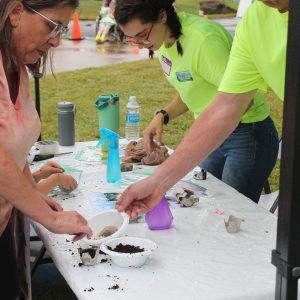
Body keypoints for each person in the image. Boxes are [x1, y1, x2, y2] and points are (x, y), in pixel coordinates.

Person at [115, 0, 288, 218]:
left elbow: (242, 104)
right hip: (219, 135)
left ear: (161, 16)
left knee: (232, 213)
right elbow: (212, 99)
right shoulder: (254, 19)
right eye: (133, 39)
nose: (140, 45)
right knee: (208, 208)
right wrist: (157, 182)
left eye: (142, 35)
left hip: (247, 134)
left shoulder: (204, 39)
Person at [0, 0, 92, 298]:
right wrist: (48, 217)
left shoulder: (18, 70)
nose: (57, 39)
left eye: (62, 29)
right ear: (15, 12)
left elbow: (13, 150)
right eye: (52, 25)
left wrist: (35, 196)